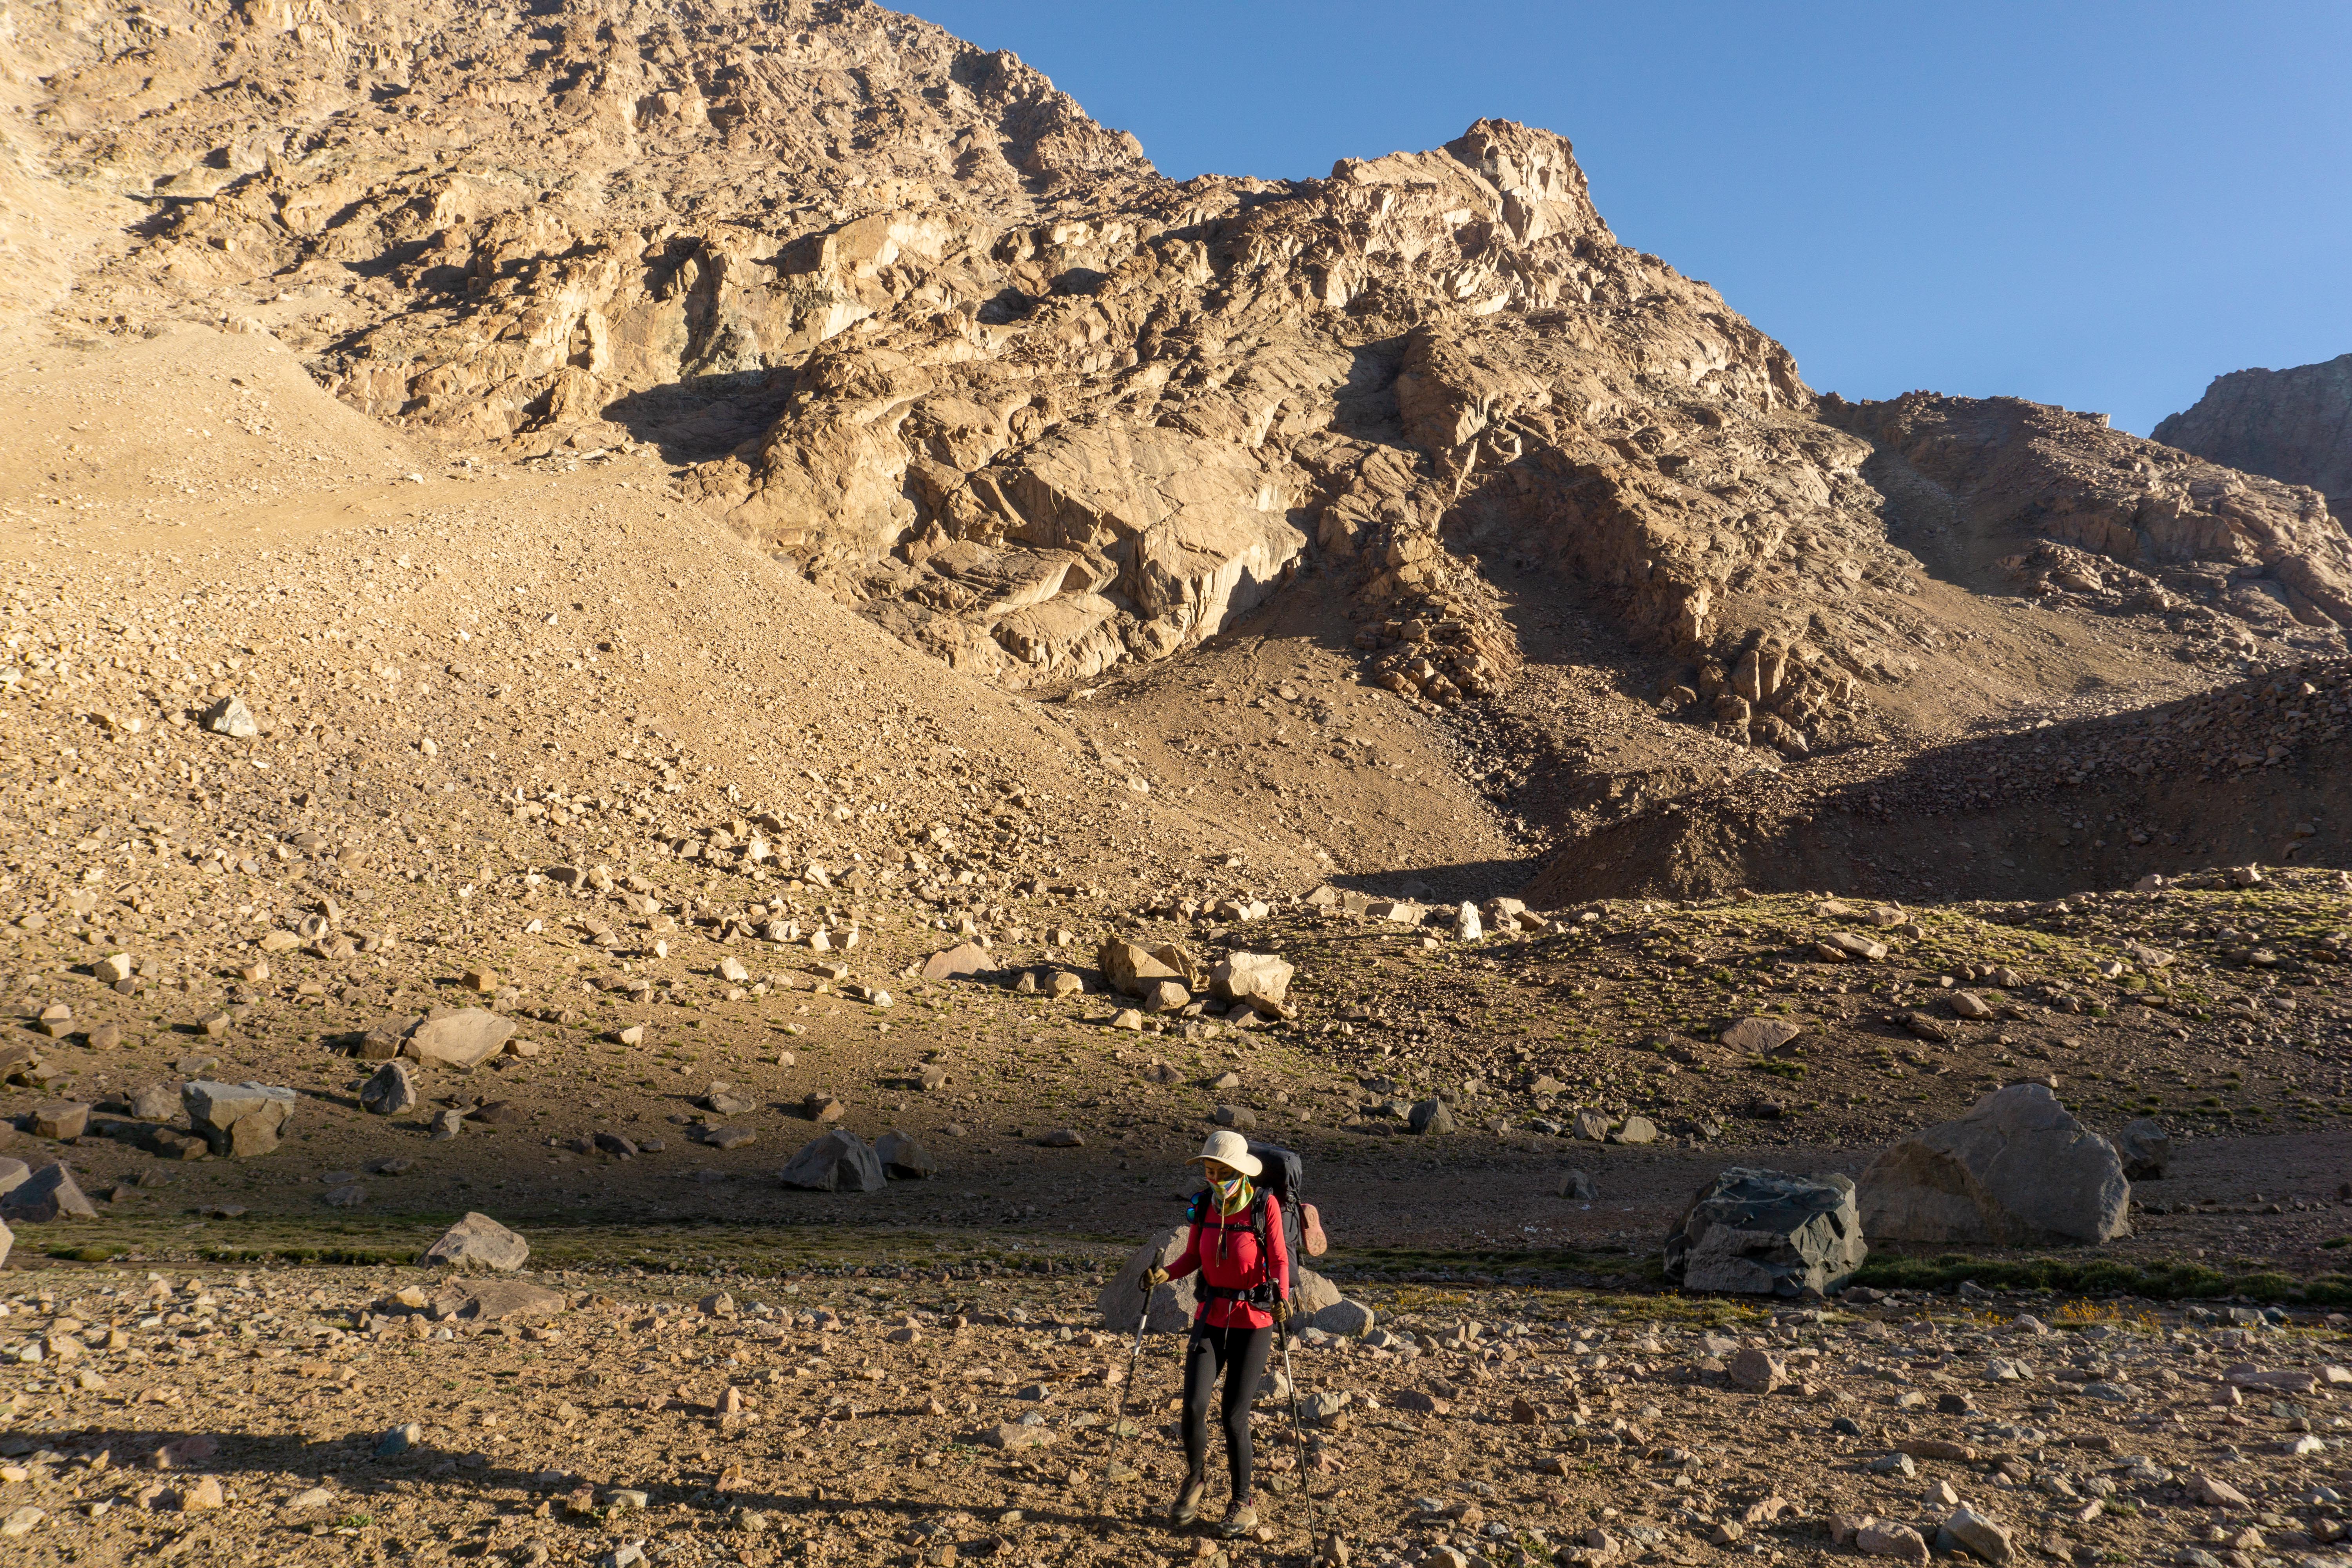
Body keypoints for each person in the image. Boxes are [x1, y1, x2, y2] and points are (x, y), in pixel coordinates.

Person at [1143, 1129, 1292, 1537]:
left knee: (1233, 1416)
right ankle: (1196, 1480)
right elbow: (1194, 1255)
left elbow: (1280, 1259)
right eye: (1209, 1170)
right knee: (1193, 1405)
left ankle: (1243, 1504)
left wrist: (1282, 1296)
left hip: (1254, 1321)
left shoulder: (1264, 1205)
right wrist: (1165, 1274)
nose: (1213, 1178)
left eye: (1220, 1171)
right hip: (1211, 1316)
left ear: (1239, 1171)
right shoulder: (1206, 1205)